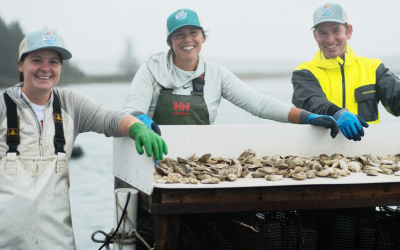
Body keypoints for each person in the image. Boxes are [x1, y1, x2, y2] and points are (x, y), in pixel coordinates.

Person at [0, 30, 167, 250]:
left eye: (53, 61)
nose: (45, 68)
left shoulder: (70, 103)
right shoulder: (3, 106)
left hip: (57, 241)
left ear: (60, 67)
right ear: (21, 65)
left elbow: (110, 118)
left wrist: (136, 127)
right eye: (36, 60)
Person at [124, 9, 339, 138]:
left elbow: (259, 104)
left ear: (203, 38)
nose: (187, 39)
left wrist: (308, 117)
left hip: (196, 162)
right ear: (169, 42)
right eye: (179, 35)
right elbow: (132, 109)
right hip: (152, 156)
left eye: (193, 33)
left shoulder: (216, 74)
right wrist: (137, 119)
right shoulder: (151, 70)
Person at [292, 3, 400, 141]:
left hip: (368, 150)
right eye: (322, 33)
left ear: (348, 31)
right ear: (315, 35)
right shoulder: (304, 72)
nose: (330, 39)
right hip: (319, 154)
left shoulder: (374, 68)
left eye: (336, 31)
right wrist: (337, 113)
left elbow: (396, 100)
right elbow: (312, 101)